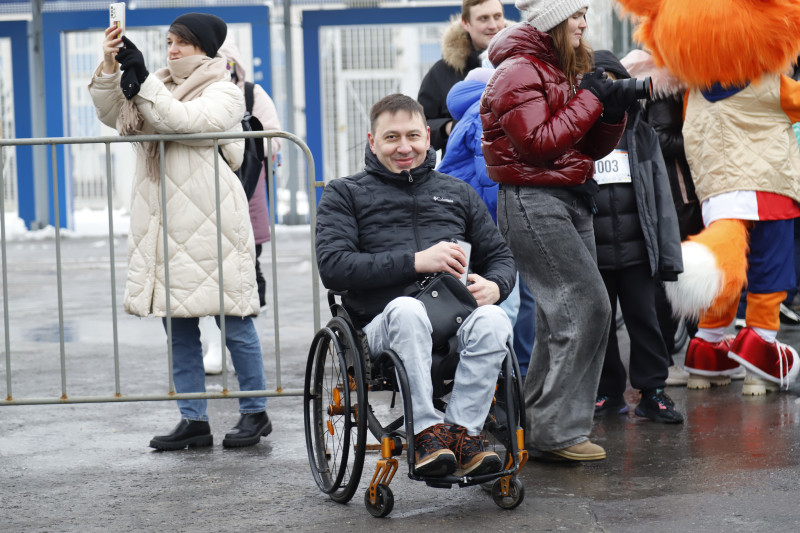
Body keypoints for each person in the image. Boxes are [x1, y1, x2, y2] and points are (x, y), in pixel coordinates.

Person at [89, 13, 272, 450]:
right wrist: (112, 65)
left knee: (234, 322)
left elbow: (183, 122)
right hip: (165, 222)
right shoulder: (156, 84)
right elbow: (114, 115)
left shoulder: (224, 91)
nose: (172, 50)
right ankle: (193, 418)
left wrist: (143, 82)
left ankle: (255, 411)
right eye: (169, 42)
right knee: (178, 328)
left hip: (213, 222)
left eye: (181, 43)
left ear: (204, 48)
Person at [315, 94, 516, 477]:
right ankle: (425, 433)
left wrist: (495, 286)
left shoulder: (458, 192)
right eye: (391, 137)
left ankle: (463, 435)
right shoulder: (344, 193)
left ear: (427, 136)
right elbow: (334, 268)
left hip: (453, 321)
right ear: (372, 141)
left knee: (494, 319)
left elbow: (501, 258)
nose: (404, 147)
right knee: (408, 310)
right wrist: (415, 261)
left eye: (412, 136)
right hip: (380, 328)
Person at [480, 1, 632, 461]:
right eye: (575, 15)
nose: (584, 23)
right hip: (533, 199)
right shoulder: (517, 72)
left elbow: (586, 146)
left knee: (559, 317)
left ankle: (541, 426)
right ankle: (557, 433)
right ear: (551, 21)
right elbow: (538, 143)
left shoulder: (559, 68)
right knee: (587, 307)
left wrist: (611, 112)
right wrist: (591, 100)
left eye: (585, 13)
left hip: (569, 196)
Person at [589, 50, 684, 424]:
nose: (609, 92)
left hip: (638, 252)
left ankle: (653, 392)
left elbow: (661, 194)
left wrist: (667, 253)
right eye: (601, 84)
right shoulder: (578, 134)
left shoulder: (641, 132)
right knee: (600, 328)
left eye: (615, 83)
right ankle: (608, 393)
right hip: (594, 253)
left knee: (646, 321)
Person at [437, 66, 536, 379]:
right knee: (504, 300)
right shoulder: (484, 113)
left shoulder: (468, 114)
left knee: (479, 296)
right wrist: (513, 218)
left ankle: (501, 371)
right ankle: (497, 375)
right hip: (487, 223)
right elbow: (491, 177)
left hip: (460, 220)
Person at [200, 38, 283, 375]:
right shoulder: (193, 93)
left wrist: (239, 141)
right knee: (203, 270)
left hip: (245, 188)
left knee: (247, 266)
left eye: (225, 62)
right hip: (201, 193)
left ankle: (245, 344)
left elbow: (274, 138)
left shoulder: (251, 93)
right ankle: (214, 346)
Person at [418, 0, 506, 153]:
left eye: (497, 16)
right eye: (483, 18)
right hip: (462, 167)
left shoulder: (525, 63)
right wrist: (448, 128)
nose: (493, 25)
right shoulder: (441, 72)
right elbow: (417, 128)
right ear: (466, 23)